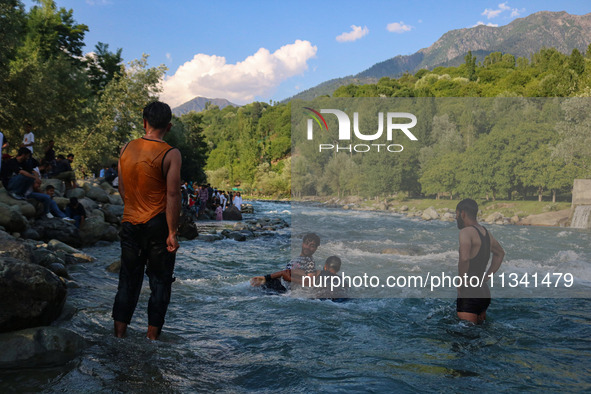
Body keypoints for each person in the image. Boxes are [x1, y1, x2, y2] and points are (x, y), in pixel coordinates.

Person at [112, 101, 181, 341]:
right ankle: (152, 339)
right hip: (158, 223)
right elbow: (172, 194)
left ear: (144, 122)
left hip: (130, 221)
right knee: (160, 282)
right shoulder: (171, 154)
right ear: (168, 126)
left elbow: (122, 188)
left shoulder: (126, 148)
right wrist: (172, 231)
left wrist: (133, 208)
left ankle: (119, 335)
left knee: (128, 280)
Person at [455, 198, 505, 324]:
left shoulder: (465, 232)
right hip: (483, 292)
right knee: (478, 337)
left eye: (456, 214)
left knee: (464, 338)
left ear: (463, 214)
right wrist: (486, 277)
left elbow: (465, 258)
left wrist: (461, 282)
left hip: (470, 292)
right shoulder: (486, 233)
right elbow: (500, 254)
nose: (455, 218)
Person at [250, 233, 320, 292]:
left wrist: (289, 278)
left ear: (316, 248)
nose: (308, 247)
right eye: (306, 243)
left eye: (312, 246)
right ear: (302, 243)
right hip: (281, 286)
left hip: (284, 290)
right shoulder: (297, 258)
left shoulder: (310, 262)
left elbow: (310, 282)